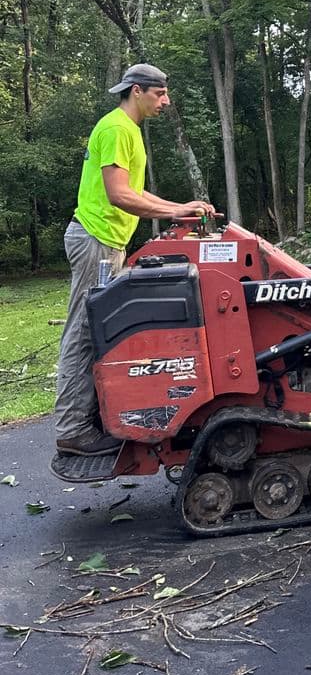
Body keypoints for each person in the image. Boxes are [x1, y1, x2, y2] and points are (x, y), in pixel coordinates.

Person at [53, 63, 214, 458]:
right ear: (137, 90)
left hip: (107, 241)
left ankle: (91, 416)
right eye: (160, 94)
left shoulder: (128, 131)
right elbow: (119, 196)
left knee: (103, 331)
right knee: (86, 331)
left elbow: (137, 191)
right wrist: (177, 211)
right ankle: (73, 428)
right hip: (95, 238)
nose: (166, 101)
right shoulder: (116, 129)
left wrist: (181, 209)